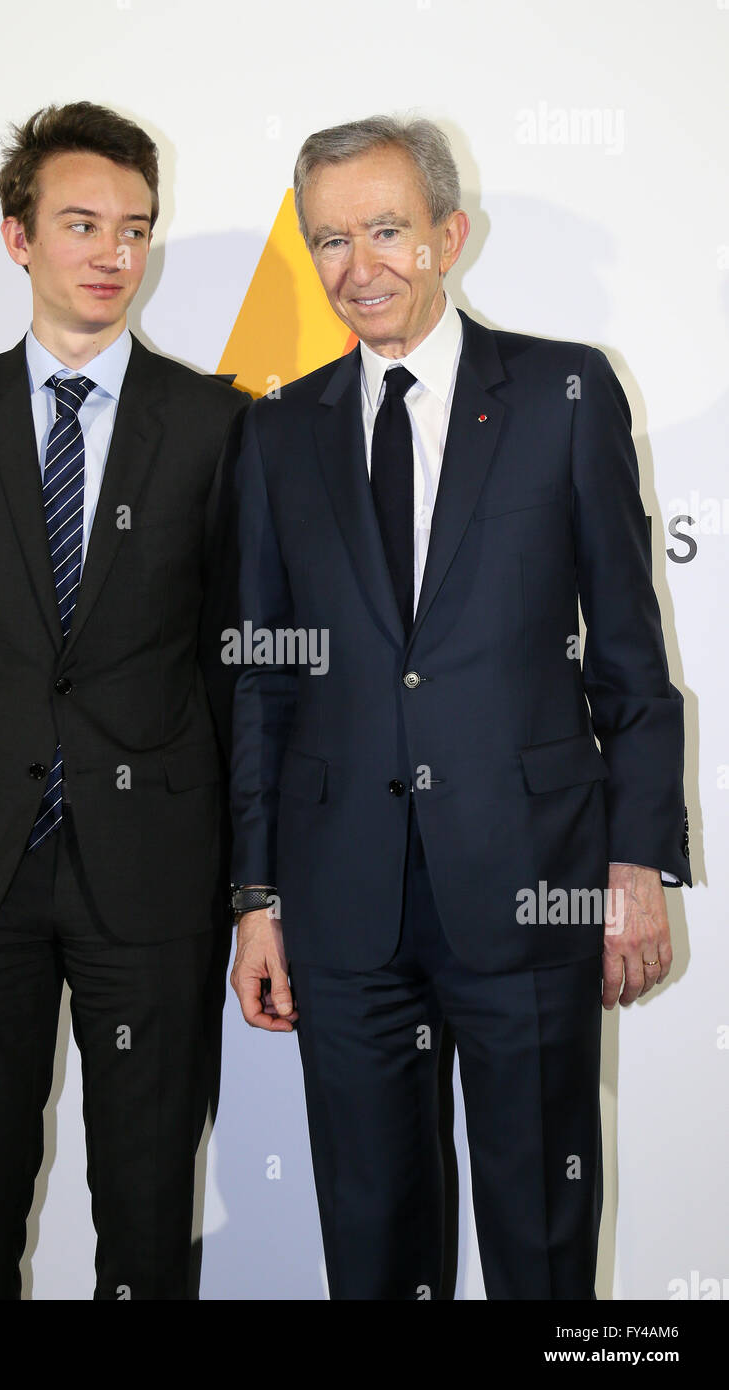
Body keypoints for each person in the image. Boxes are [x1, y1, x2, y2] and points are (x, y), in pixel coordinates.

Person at [228, 114, 690, 1299]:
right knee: (372, 1246)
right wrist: (255, 898)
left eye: (384, 230)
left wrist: (635, 865)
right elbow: (265, 676)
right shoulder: (278, 433)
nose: (357, 267)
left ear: (448, 233)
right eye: (328, 240)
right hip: (342, 907)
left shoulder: (562, 391)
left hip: (530, 884)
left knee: (540, 1243)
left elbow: (629, 658)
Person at [0, 100, 246, 1300]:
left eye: (134, 229)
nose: (111, 254)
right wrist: (10, 760)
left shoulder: (213, 424)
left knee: (147, 1212)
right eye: (81, 223)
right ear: (16, 237)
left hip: (152, 869)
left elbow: (228, 656)